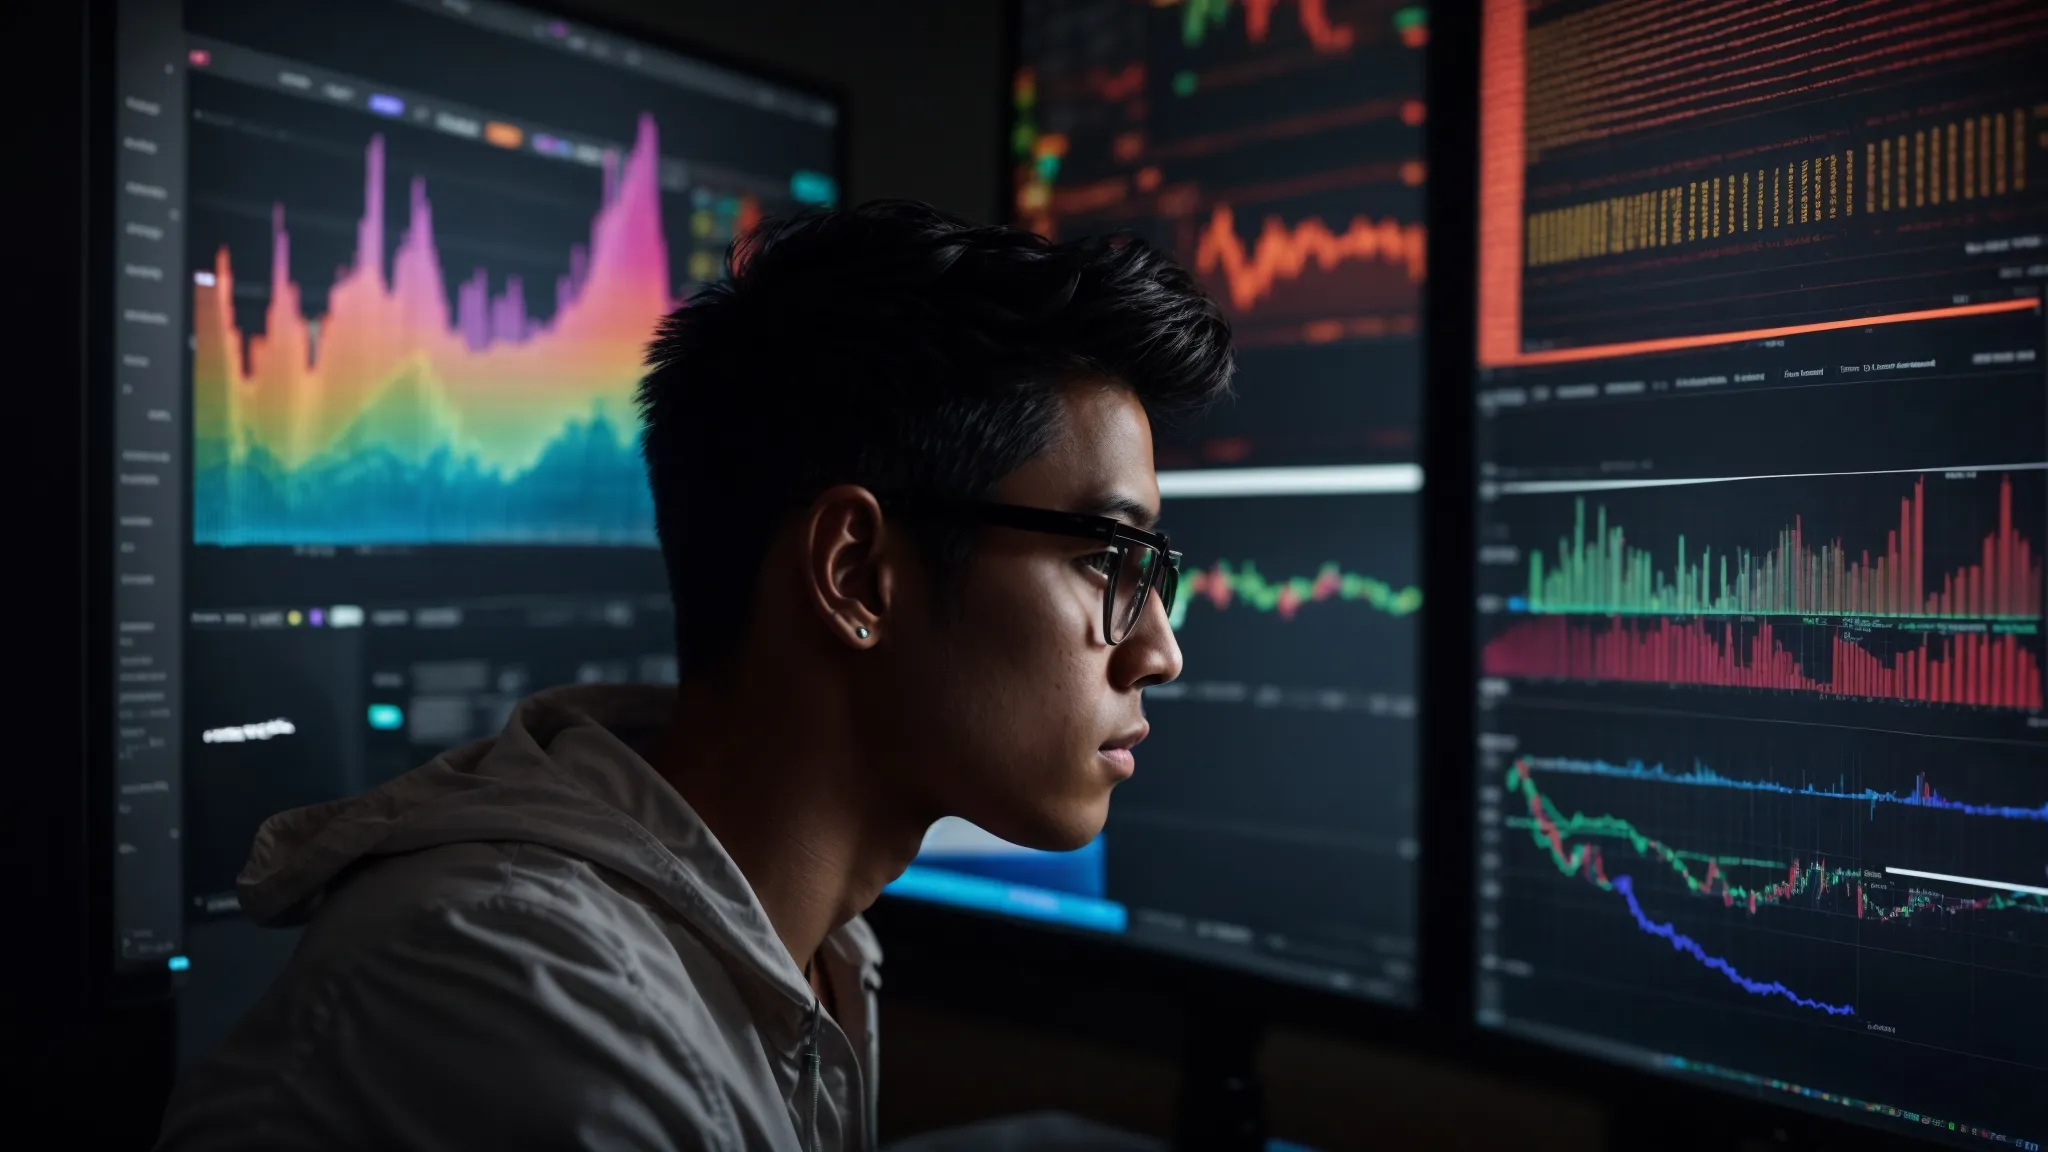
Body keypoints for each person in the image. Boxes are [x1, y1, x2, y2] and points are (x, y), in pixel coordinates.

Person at [155, 199, 1234, 1151]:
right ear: (856, 573)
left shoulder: (814, 944)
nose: (1157, 648)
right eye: (1106, 555)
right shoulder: (526, 1003)